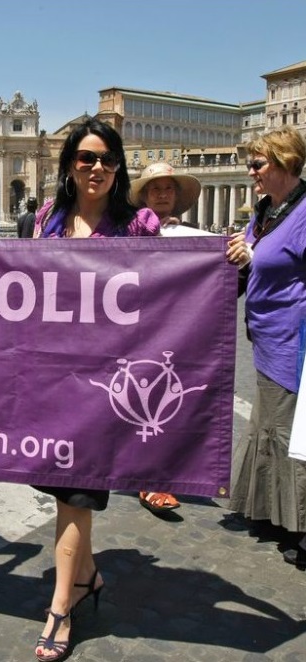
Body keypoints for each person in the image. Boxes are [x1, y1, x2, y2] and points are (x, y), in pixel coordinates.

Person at [0, 119, 160, 661]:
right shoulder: (47, 220)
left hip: (108, 380)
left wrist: (231, 258)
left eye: (106, 159)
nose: (96, 168)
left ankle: (59, 608)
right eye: (85, 158)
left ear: (119, 167)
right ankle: (88, 576)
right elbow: (24, 283)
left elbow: (175, 280)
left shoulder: (139, 224)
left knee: (75, 494)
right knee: (66, 488)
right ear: (69, 165)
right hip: (54, 377)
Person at [226, 125, 306, 569]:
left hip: (297, 340)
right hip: (266, 335)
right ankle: (275, 512)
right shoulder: (266, 211)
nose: (251, 171)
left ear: (285, 163)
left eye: (257, 164)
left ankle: (302, 523)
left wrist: (254, 257)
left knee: (291, 432)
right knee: (268, 424)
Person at [130, 162, 204, 515]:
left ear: (177, 196)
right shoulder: (126, 231)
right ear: (143, 194)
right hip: (131, 330)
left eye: (168, 188)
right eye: (154, 187)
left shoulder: (195, 237)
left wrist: (237, 258)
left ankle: (154, 476)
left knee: (159, 406)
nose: (161, 193)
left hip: (175, 332)